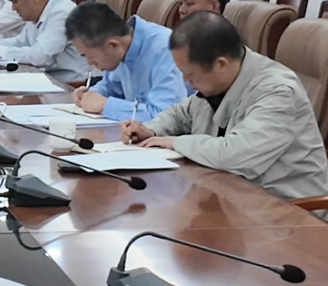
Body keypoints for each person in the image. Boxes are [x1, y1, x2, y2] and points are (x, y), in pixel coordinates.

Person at [121, 12, 328, 202]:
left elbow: (237, 155)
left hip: (288, 211)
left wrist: (175, 142)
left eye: (190, 74)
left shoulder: (278, 92)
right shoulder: (219, 80)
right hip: (231, 196)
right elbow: (180, 114)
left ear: (220, 64)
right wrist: (151, 130)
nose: (185, 81)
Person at [65, 1, 188, 121]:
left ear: (112, 45)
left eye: (90, 56)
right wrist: (92, 94)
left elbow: (165, 116)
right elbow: (112, 85)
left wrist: (105, 105)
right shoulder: (121, 48)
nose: (89, 63)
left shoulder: (165, 48)